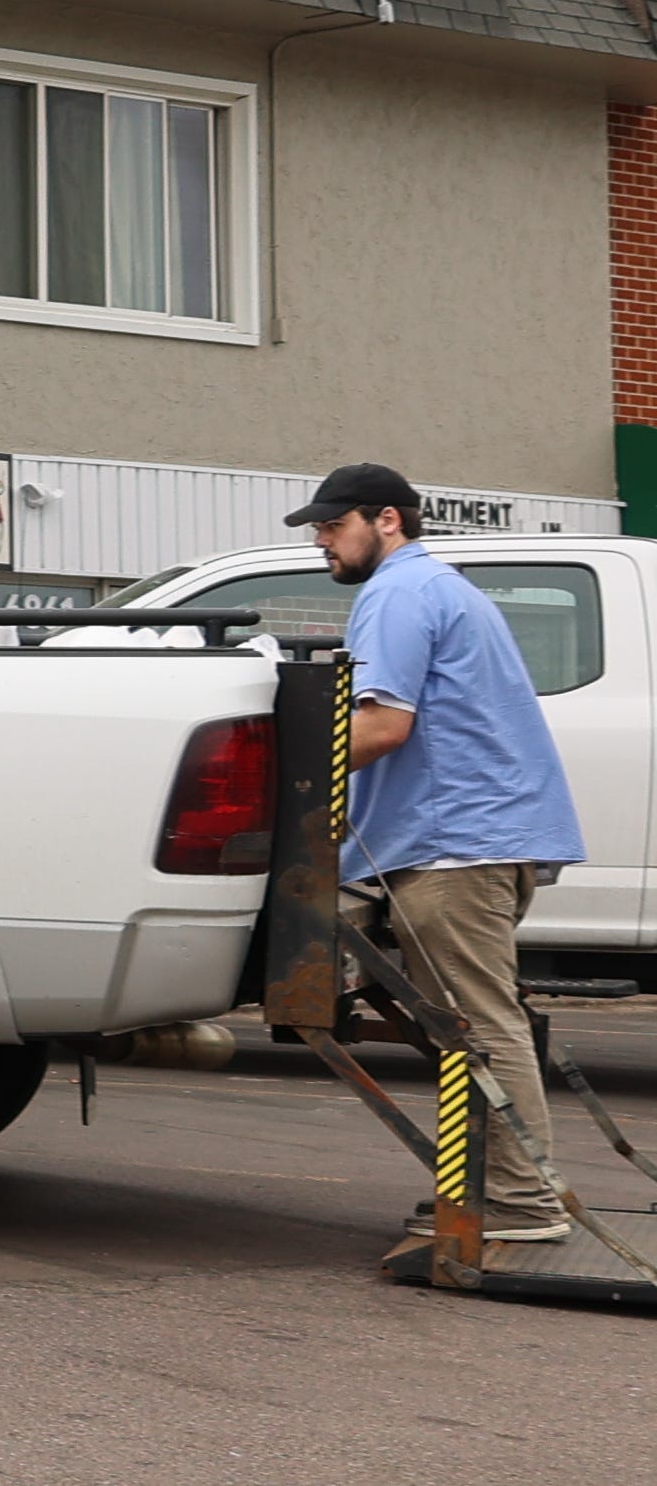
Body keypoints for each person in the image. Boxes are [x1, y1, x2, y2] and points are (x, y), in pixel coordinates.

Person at [290, 461, 586, 1243]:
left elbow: (383, 725)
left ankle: (520, 1203)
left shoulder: (396, 592)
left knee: (475, 1027)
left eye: (332, 524)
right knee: (474, 1022)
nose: (321, 539)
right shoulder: (442, 587)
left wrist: (286, 771)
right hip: (471, 839)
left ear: (385, 519)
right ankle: (484, 1190)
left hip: (452, 847)